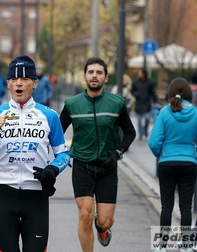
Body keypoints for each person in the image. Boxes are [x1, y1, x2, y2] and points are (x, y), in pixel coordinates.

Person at [0, 55, 70, 252]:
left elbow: (64, 155)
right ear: (8, 84)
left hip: (35, 196)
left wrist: (52, 170)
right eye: (14, 79)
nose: (19, 83)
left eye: (25, 79)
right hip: (4, 194)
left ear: (35, 84)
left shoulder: (49, 116)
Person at [59, 57, 136, 252]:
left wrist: (118, 151)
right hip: (82, 166)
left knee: (105, 221)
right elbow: (57, 132)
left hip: (108, 168)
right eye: (91, 72)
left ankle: (102, 229)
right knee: (85, 215)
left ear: (105, 77)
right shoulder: (72, 104)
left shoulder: (117, 103)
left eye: (99, 72)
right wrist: (62, 155)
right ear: (84, 76)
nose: (94, 76)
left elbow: (130, 132)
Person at [148, 77, 197, 252]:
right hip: (188, 164)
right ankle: (185, 245)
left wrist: (161, 154)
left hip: (167, 163)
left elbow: (154, 142)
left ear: (170, 92)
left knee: (166, 206)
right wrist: (194, 155)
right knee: (185, 206)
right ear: (189, 93)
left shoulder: (165, 113)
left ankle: (162, 246)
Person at [131, 68, 158, 140]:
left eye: (141, 73)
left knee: (146, 118)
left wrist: (155, 101)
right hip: (138, 103)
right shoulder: (135, 82)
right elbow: (132, 90)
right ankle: (140, 133)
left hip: (146, 104)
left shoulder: (150, 83)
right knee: (139, 120)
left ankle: (145, 131)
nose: (139, 74)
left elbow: (153, 93)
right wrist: (136, 94)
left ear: (144, 74)